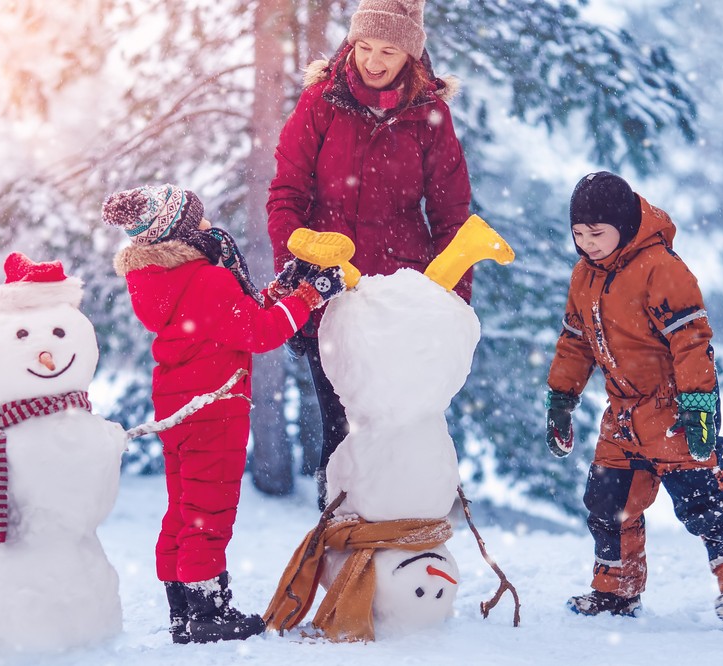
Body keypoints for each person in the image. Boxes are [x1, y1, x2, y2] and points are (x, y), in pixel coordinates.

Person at [101, 183, 345, 643]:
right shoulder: (205, 278)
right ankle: (209, 612)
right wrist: (311, 298)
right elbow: (259, 330)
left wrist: (283, 289)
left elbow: (238, 315)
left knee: (182, 509)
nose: (211, 227)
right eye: (200, 221)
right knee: (208, 512)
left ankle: (183, 609)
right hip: (215, 408)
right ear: (182, 233)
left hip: (179, 408)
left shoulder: (159, 279)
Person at [545, 171, 723, 623]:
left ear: (624, 225)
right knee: (608, 501)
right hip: (622, 412)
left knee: (700, 498)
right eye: (578, 234)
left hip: (672, 408)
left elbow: (691, 342)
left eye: (597, 234)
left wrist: (698, 406)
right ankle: (617, 590)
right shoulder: (583, 276)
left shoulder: (661, 269)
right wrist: (561, 399)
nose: (587, 243)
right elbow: (575, 342)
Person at [266, 0, 473, 509]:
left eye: (388, 49)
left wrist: (450, 300)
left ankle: (398, 558)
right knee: (339, 432)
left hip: (400, 302)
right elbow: (286, 195)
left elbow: (451, 214)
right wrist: (295, 277)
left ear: (412, 53)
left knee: (396, 432)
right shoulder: (321, 102)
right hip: (331, 294)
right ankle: (341, 553)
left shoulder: (430, 114)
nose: (373, 61)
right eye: (363, 46)